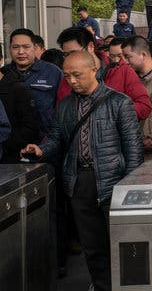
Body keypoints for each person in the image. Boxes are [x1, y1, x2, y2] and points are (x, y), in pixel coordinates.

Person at [21, 51, 143, 291]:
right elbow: (56, 137)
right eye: (67, 76)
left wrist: (130, 187)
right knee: (92, 243)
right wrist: (40, 150)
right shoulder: (66, 105)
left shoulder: (119, 102)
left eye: (77, 75)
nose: (72, 81)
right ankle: (101, 285)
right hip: (79, 181)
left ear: (93, 70)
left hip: (113, 180)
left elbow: (133, 149)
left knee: (123, 242)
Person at [56, 27, 152, 120]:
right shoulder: (67, 79)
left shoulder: (122, 71)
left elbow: (144, 108)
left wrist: (109, 109)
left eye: (74, 53)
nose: (70, 58)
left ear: (90, 47)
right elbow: (59, 116)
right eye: (66, 55)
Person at [8, 28, 63, 138]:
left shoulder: (53, 72)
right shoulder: (4, 74)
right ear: (9, 49)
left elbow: (64, 107)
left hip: (46, 142)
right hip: (11, 143)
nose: (20, 52)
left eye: (26, 47)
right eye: (15, 47)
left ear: (35, 48)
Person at [0, 61, 39, 163]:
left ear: (0, 60)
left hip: (11, 158)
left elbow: (30, 127)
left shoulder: (18, 88)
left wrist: (5, 144)